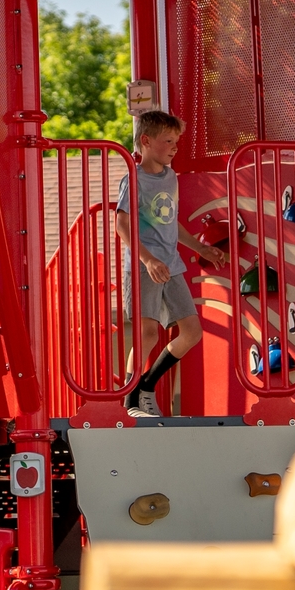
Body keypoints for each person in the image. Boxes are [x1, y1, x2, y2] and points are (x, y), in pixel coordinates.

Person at [113, 110, 227, 418]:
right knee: (148, 333)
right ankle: (130, 399)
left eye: (176, 141)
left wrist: (200, 248)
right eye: (168, 141)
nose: (175, 147)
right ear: (146, 141)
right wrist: (148, 260)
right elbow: (122, 224)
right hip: (145, 266)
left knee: (192, 331)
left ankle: (146, 386)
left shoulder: (170, 177)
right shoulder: (134, 179)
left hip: (171, 264)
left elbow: (170, 221)